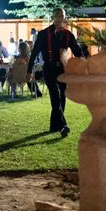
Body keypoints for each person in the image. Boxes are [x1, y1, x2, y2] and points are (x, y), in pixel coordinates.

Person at [27, 8, 82, 137]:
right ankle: (62, 125)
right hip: (49, 69)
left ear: (64, 17)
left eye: (61, 15)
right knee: (55, 96)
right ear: (53, 17)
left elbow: (78, 52)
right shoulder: (43, 34)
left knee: (62, 97)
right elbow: (34, 53)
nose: (59, 18)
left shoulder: (68, 35)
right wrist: (29, 71)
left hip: (63, 70)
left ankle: (53, 126)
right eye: (56, 15)